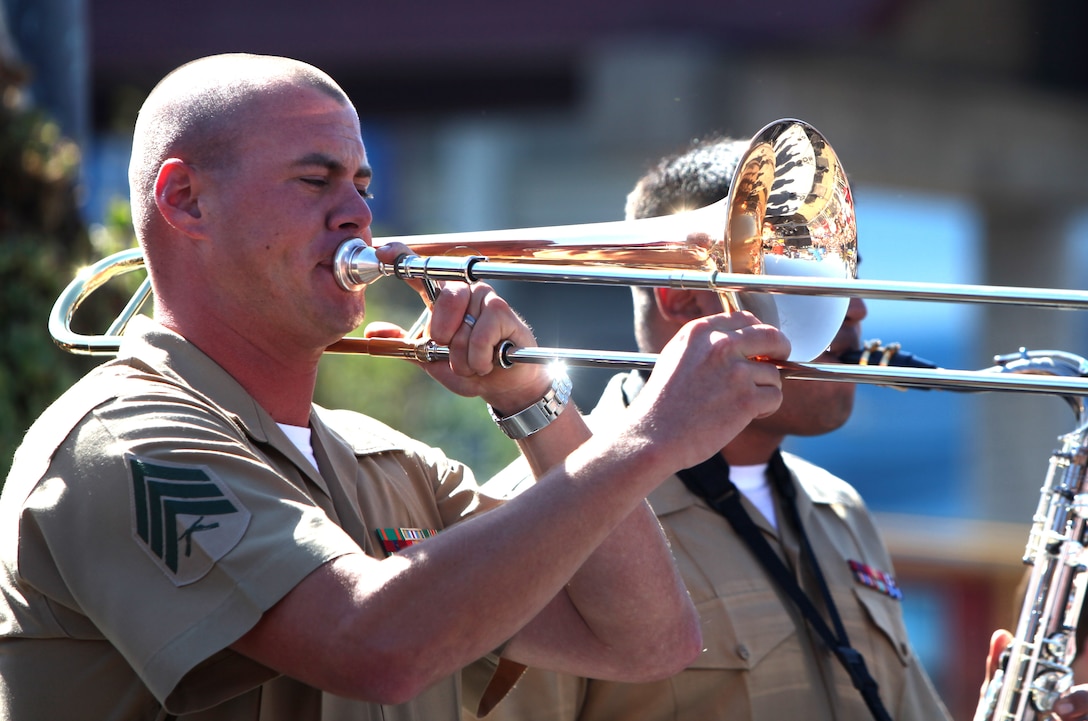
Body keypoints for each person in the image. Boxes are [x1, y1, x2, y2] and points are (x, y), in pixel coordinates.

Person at [0, 54, 799, 720]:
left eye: (363, 184)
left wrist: (536, 407)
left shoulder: (385, 463)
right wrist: (648, 441)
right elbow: (372, 647)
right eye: (316, 182)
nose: (359, 217)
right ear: (185, 199)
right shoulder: (124, 436)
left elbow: (645, 641)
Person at [468, 135, 954, 721]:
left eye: (845, 276)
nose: (856, 309)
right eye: (807, 277)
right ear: (680, 297)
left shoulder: (840, 509)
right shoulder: (541, 512)